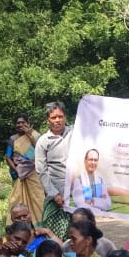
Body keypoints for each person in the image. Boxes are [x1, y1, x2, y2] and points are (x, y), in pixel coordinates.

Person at [35, 101, 72, 237]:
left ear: (65, 117)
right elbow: (41, 171)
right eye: (53, 117)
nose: (57, 120)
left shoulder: (74, 133)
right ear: (48, 121)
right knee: (53, 234)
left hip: (76, 191)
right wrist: (54, 194)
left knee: (78, 232)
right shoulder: (43, 141)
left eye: (60, 116)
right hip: (55, 194)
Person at [5, 113, 45, 227]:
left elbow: (40, 150)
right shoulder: (13, 139)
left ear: (28, 124)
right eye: (18, 123)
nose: (20, 125)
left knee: (38, 199)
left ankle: (39, 226)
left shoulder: (36, 136)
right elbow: (8, 157)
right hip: (20, 175)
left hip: (33, 173)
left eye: (23, 122)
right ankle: (18, 227)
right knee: (18, 200)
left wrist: (29, 135)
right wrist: (16, 169)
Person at [70, 148, 112, 214]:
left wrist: (92, 201)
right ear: (85, 161)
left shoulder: (101, 181)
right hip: (84, 217)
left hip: (101, 219)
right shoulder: (78, 181)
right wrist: (100, 203)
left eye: (95, 160)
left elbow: (107, 204)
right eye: (90, 159)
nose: (93, 162)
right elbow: (80, 204)